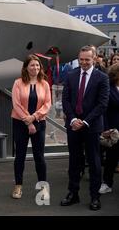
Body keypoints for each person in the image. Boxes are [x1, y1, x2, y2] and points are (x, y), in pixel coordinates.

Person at [60, 45, 109, 211]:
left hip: (92, 126)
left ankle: (95, 196)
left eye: (87, 59)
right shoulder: (71, 75)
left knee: (95, 162)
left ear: (94, 59)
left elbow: (102, 104)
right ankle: (73, 193)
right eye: (81, 59)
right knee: (74, 161)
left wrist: (85, 122)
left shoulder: (102, 77)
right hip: (73, 126)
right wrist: (73, 119)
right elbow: (65, 100)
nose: (84, 62)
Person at [10, 55, 52, 199]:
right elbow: (16, 104)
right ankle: (18, 186)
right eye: (32, 65)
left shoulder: (44, 84)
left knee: (39, 156)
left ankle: (43, 188)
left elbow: (47, 105)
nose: (35, 68)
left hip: (39, 123)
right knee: (20, 155)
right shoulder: (18, 83)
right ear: (26, 67)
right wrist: (28, 122)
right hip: (20, 123)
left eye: (38, 65)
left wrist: (34, 118)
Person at [98, 63, 119, 194]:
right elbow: (103, 110)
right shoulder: (109, 88)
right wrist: (105, 128)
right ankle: (107, 183)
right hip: (114, 129)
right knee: (112, 158)